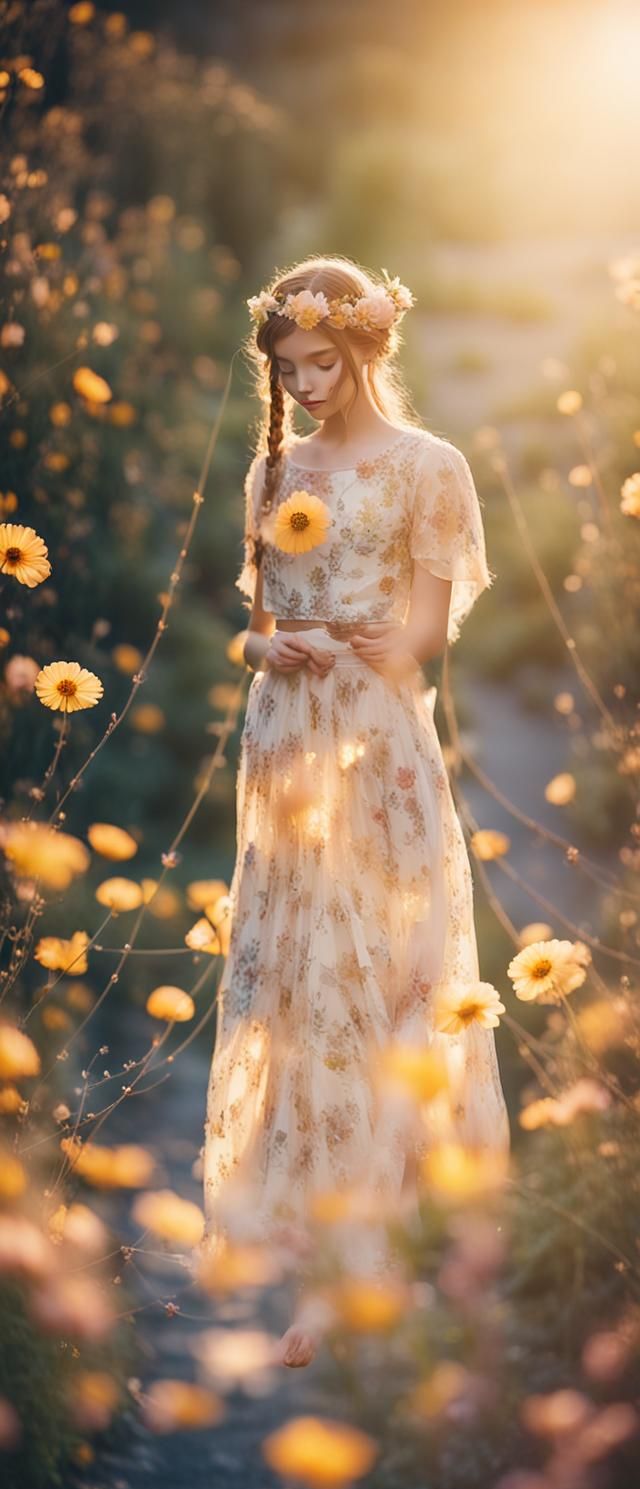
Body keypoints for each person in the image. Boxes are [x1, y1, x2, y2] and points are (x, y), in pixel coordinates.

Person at [200, 256, 510, 1369]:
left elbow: (430, 629)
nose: (307, 382)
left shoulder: (431, 468)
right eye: (288, 367)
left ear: (367, 347)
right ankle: (330, 1272)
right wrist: (265, 645)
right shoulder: (272, 470)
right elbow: (251, 624)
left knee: (386, 979)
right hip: (288, 745)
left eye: (322, 361)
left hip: (377, 745)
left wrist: (392, 644)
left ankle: (373, 1257)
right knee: (304, 988)